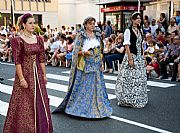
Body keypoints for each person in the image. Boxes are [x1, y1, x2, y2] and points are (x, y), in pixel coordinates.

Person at [53, 16, 113, 118]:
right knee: (85, 87)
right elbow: (75, 52)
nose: (93, 25)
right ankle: (81, 108)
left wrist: (101, 63)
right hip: (85, 64)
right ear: (85, 25)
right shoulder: (81, 35)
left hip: (96, 64)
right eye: (90, 24)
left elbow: (100, 51)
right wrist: (84, 52)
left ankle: (98, 108)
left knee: (97, 87)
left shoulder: (97, 35)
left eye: (94, 23)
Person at [3, 13, 53, 133]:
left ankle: (41, 128)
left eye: (33, 23)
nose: (33, 25)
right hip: (25, 74)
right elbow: (17, 61)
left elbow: (41, 58)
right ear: (24, 24)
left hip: (37, 75)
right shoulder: (17, 40)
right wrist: (21, 79)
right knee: (24, 103)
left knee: (41, 101)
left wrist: (44, 75)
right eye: (30, 23)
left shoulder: (39, 39)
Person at [115, 12, 148, 108]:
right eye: (137, 18)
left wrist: (143, 56)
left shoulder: (140, 30)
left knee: (139, 78)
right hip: (131, 55)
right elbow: (126, 45)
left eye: (140, 18)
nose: (139, 20)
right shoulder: (128, 31)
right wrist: (130, 59)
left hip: (139, 57)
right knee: (129, 78)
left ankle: (138, 97)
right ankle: (127, 98)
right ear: (132, 20)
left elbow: (141, 45)